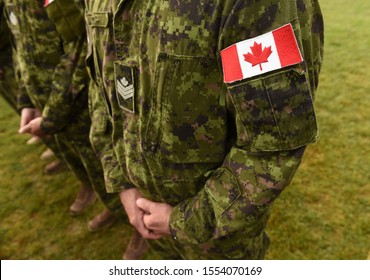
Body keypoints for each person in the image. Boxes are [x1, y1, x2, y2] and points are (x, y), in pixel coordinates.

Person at [85, 0, 324, 259]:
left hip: (218, 235)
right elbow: (101, 87)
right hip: (145, 210)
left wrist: (185, 222)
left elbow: (273, 145)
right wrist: (120, 181)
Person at [2, 0, 124, 234]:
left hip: (77, 105)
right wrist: (27, 100)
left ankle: (134, 224)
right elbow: (21, 46)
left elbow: (79, 47)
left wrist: (52, 116)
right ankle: (112, 205)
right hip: (49, 107)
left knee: (106, 167)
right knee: (84, 166)